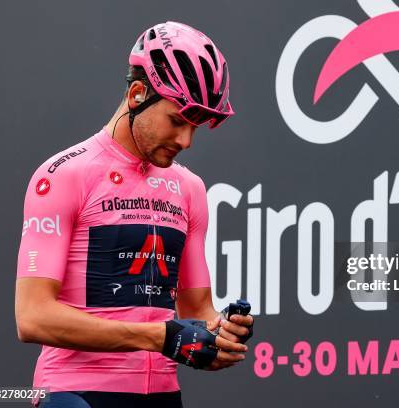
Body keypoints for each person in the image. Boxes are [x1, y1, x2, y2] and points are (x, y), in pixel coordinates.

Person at [15, 21, 253, 408]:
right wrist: (159, 336)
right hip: (75, 394)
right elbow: (32, 318)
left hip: (161, 396)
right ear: (138, 93)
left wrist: (221, 333)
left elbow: (196, 312)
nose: (186, 141)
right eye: (177, 121)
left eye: (195, 128)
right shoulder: (64, 174)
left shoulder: (190, 188)